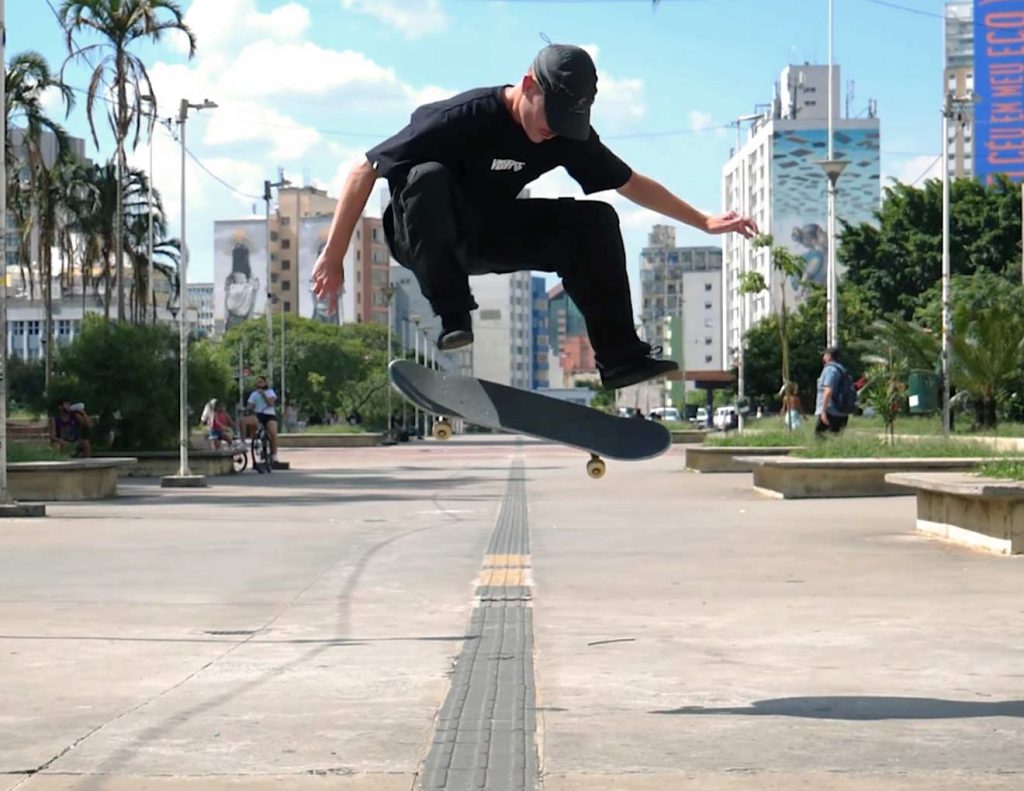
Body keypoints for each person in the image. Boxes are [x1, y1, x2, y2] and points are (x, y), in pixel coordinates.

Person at [311, 43, 757, 391]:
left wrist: (705, 221)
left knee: (596, 221)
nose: (551, 135)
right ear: (528, 86)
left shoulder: (565, 135)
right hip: (420, 236)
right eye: (550, 120)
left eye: (565, 126)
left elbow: (628, 181)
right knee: (427, 177)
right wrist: (333, 258)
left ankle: (621, 356)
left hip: (488, 232)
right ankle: (453, 316)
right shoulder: (456, 118)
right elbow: (362, 170)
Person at [815, 347, 849, 436]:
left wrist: (823, 411)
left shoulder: (830, 370)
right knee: (835, 439)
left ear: (829, 356)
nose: (823, 356)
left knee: (820, 440)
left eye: (825, 354)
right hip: (842, 410)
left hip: (830, 410)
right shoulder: (842, 369)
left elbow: (828, 390)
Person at [247, 376, 279, 462]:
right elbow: (250, 406)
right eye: (258, 382)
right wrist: (248, 409)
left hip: (269, 414)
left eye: (261, 382)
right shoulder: (254, 394)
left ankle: (274, 454)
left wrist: (263, 394)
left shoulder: (270, 392)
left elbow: (270, 403)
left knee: (273, 433)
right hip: (259, 415)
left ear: (265, 383)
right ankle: (260, 447)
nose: (259, 384)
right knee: (256, 430)